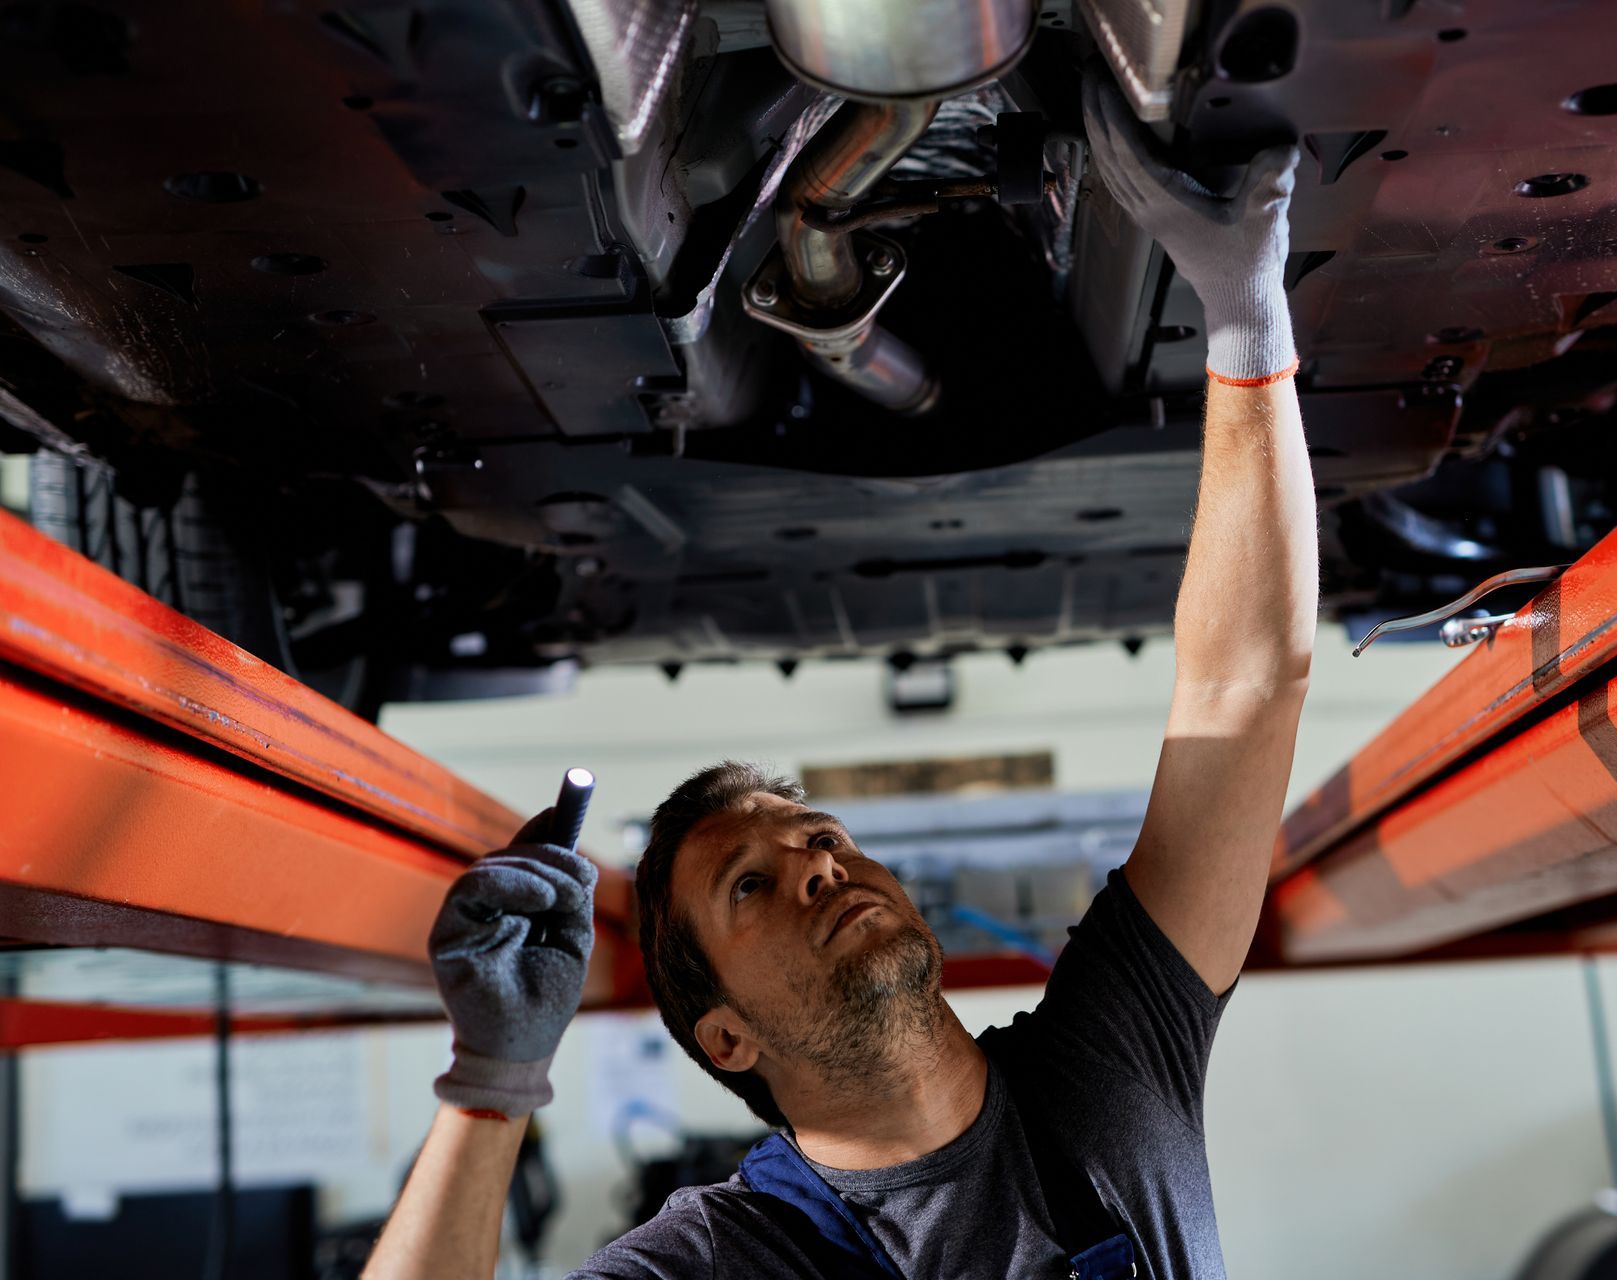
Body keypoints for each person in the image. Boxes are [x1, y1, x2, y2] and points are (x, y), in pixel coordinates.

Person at [365, 75, 1317, 1280]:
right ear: (725, 1034)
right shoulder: (722, 1258)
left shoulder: (1110, 1060)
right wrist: (490, 1085)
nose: (821, 860)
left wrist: (1246, 311)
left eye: (816, 835)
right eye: (752, 886)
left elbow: (1244, 687)